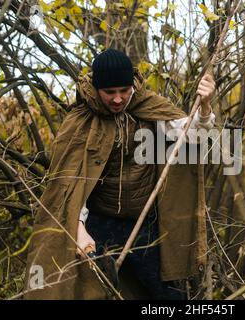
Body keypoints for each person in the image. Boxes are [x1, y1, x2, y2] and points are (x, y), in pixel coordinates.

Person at [23, 48, 215, 300]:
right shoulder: (81, 121)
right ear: (97, 88)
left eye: (123, 91)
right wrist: (80, 231)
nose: (117, 99)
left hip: (144, 222)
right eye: (109, 93)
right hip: (99, 223)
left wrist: (205, 106)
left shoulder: (148, 106)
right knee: (89, 291)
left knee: (169, 296)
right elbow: (70, 186)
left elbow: (193, 134)